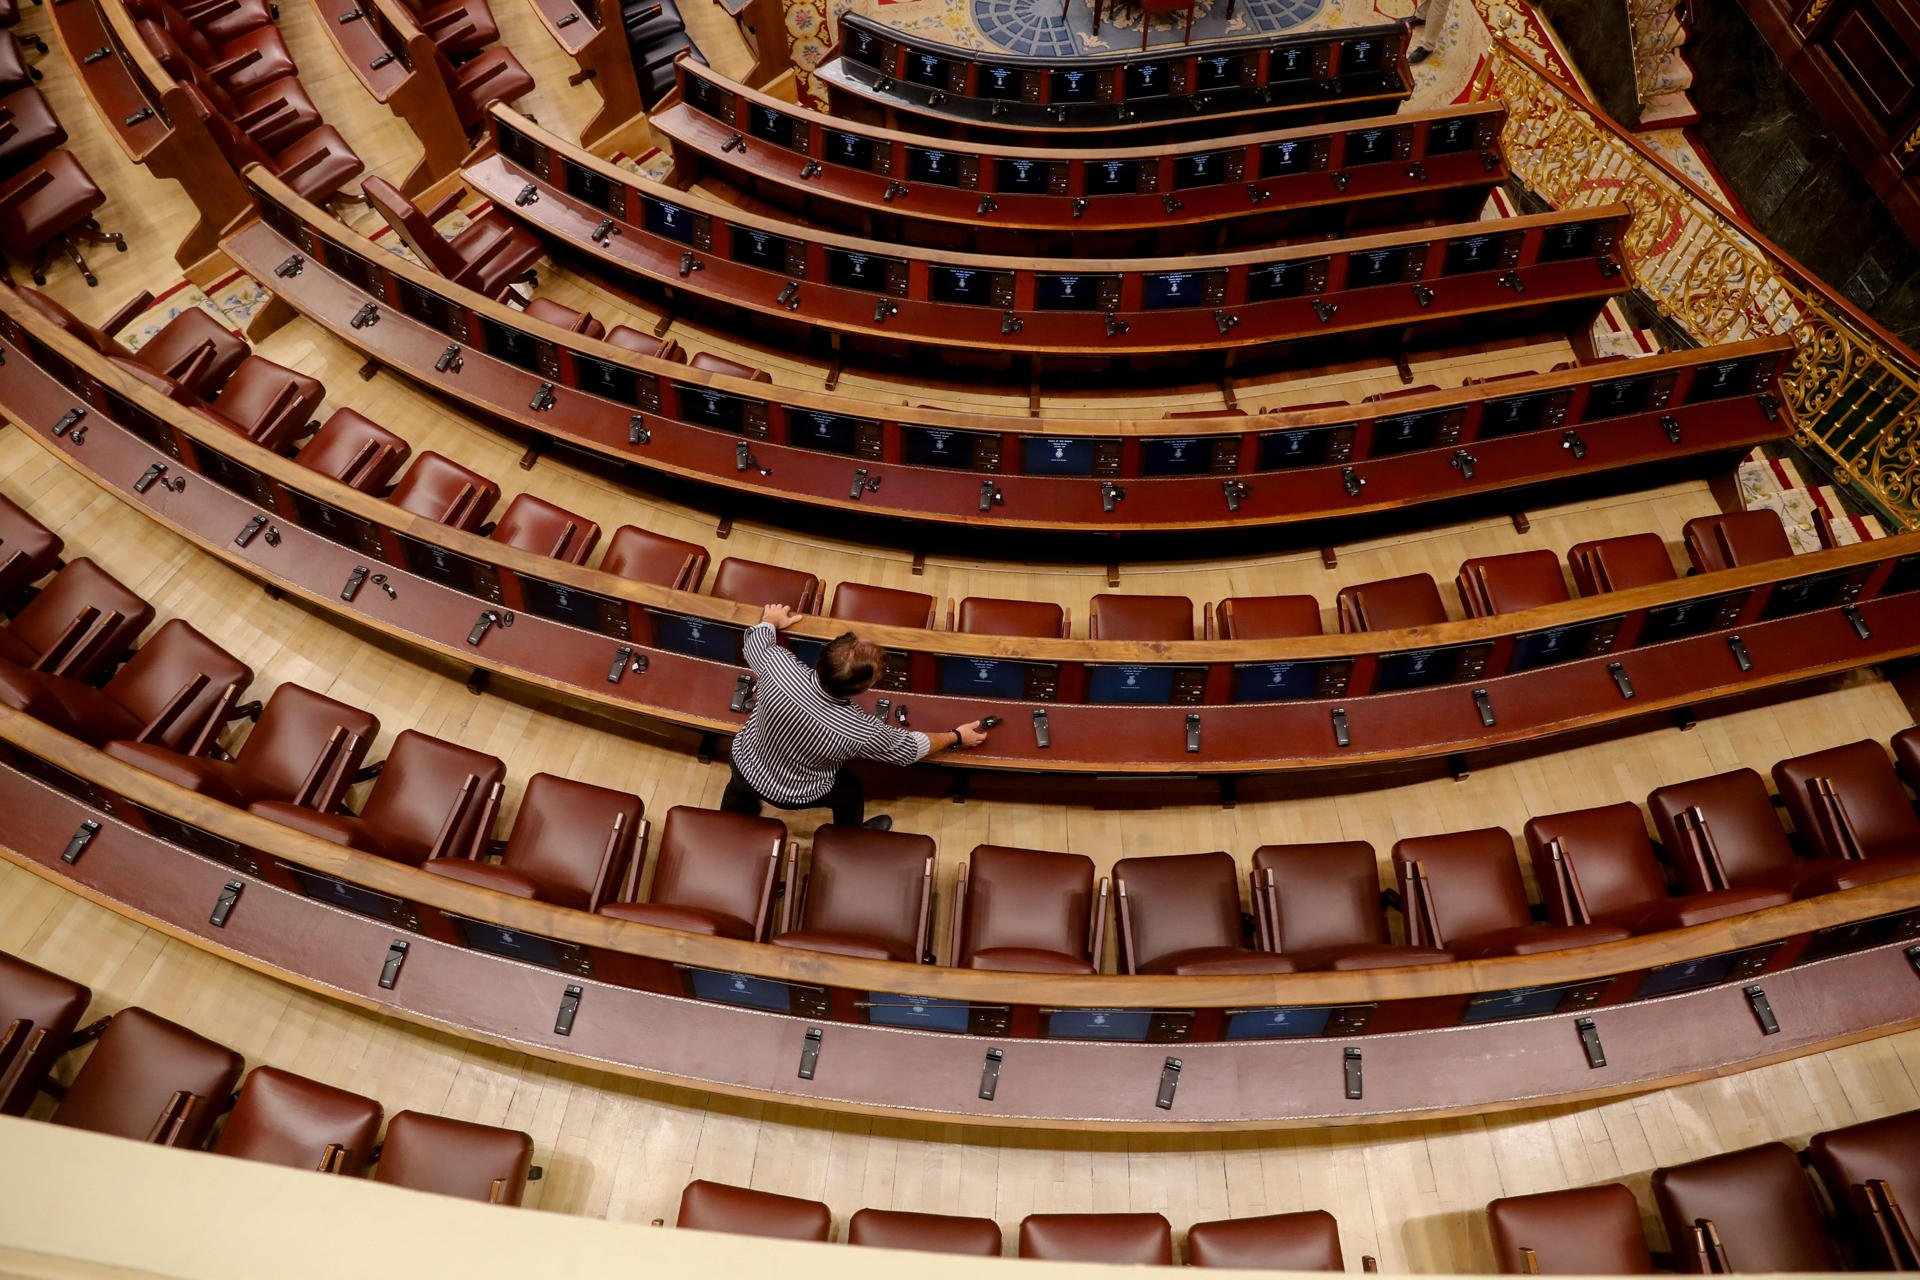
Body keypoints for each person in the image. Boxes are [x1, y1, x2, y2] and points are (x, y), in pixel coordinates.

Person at [722, 603, 992, 831]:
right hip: (798, 793)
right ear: (862, 689)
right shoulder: (859, 730)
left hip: (746, 763)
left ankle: (730, 819)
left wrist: (770, 620)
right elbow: (911, 748)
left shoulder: (778, 666)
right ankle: (849, 836)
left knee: (738, 786)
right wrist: (957, 736)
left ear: (822, 658)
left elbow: (755, 643)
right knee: (849, 790)